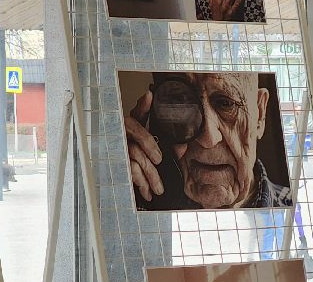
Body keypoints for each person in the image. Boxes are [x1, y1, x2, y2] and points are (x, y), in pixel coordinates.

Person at [123, 71, 291, 211]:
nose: (208, 139)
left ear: (260, 114)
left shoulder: (299, 215)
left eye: (226, 103)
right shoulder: (128, 202)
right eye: (180, 102)